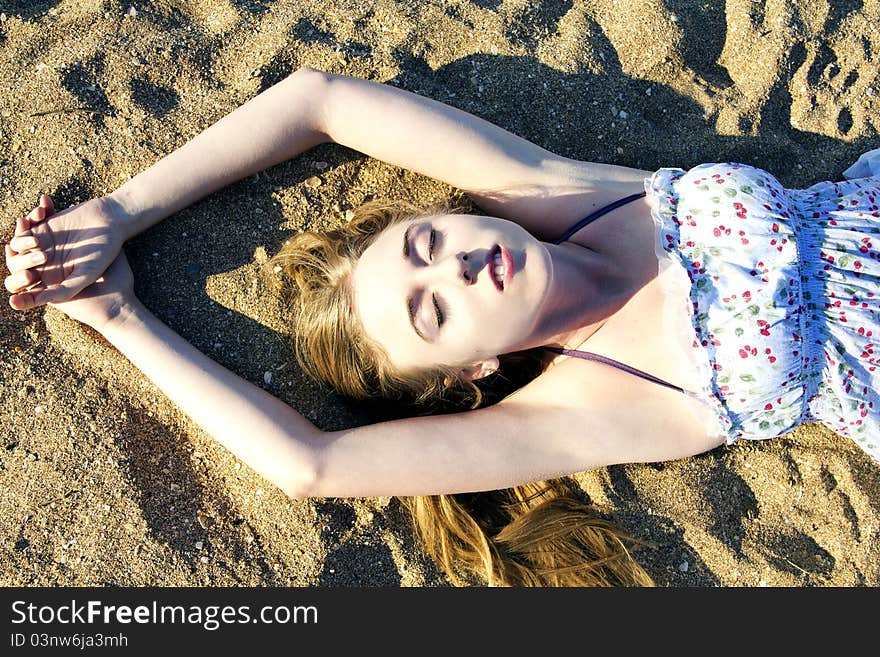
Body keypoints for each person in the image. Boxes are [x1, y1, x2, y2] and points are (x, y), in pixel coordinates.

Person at [4, 67, 879, 587]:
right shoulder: (584, 405)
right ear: (469, 370)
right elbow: (309, 465)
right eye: (434, 311)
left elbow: (317, 100)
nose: (455, 269)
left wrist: (120, 211)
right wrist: (116, 314)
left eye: (426, 244)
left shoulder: (558, 191)